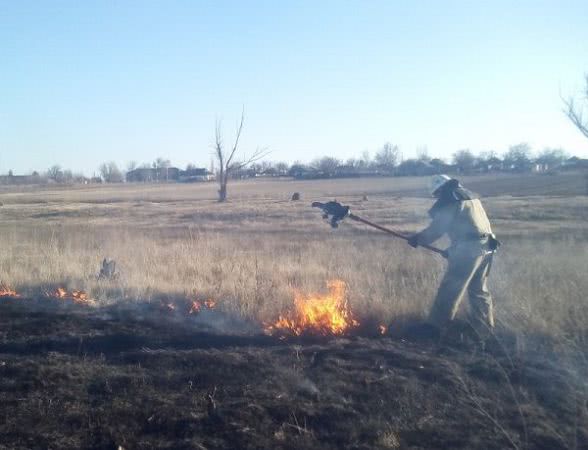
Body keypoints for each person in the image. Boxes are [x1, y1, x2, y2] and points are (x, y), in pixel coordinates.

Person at [408, 175, 500, 338]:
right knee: (479, 290)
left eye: (437, 194)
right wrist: (453, 249)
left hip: (469, 249)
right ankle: (484, 328)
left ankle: (434, 328)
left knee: (450, 287)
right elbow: (472, 226)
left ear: (441, 189)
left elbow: (438, 228)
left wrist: (419, 239)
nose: (437, 197)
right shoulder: (469, 196)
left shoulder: (451, 199)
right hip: (487, 245)